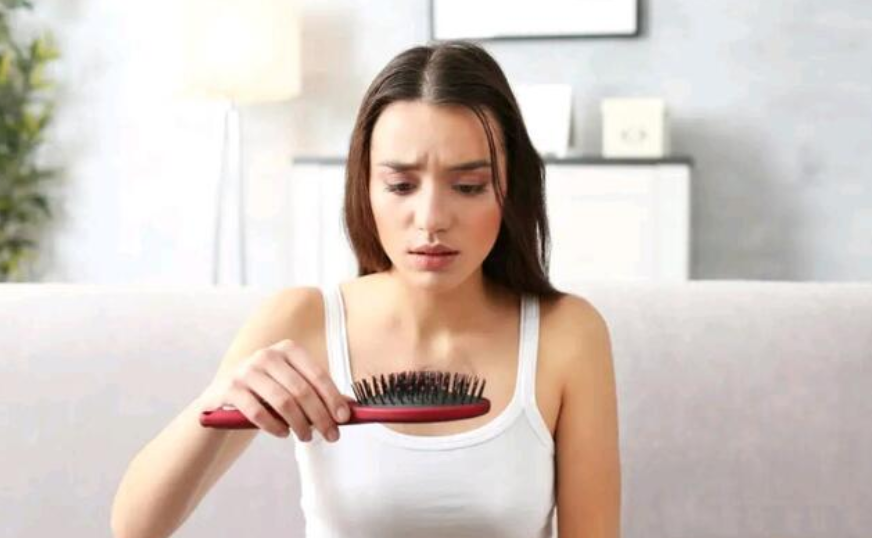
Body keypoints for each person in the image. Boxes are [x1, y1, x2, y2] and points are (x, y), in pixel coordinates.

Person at [111, 40, 621, 538]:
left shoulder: (567, 335)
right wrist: (224, 393)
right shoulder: (301, 321)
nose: (431, 219)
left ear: (511, 189)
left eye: (468, 187)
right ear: (366, 187)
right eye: (401, 186)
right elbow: (135, 527)